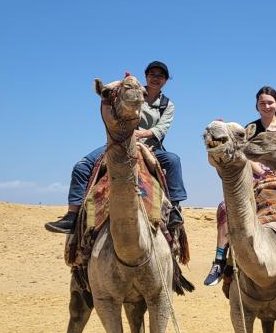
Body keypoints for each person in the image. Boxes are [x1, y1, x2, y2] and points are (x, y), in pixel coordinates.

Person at [45, 61, 187, 234]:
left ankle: (175, 210)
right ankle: (71, 217)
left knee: (173, 160)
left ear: (165, 80)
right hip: (120, 141)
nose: (155, 78)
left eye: (160, 75)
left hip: (149, 146)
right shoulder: (129, 91)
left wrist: (138, 134)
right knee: (81, 167)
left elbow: (161, 128)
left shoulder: (167, 105)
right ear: (146, 76)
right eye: (152, 74)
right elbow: (112, 105)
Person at [204, 86, 276, 286]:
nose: (266, 106)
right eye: (262, 103)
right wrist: (260, 170)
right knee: (225, 208)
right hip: (254, 176)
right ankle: (220, 260)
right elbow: (245, 154)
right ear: (257, 105)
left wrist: (274, 171)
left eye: (270, 102)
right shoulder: (249, 129)